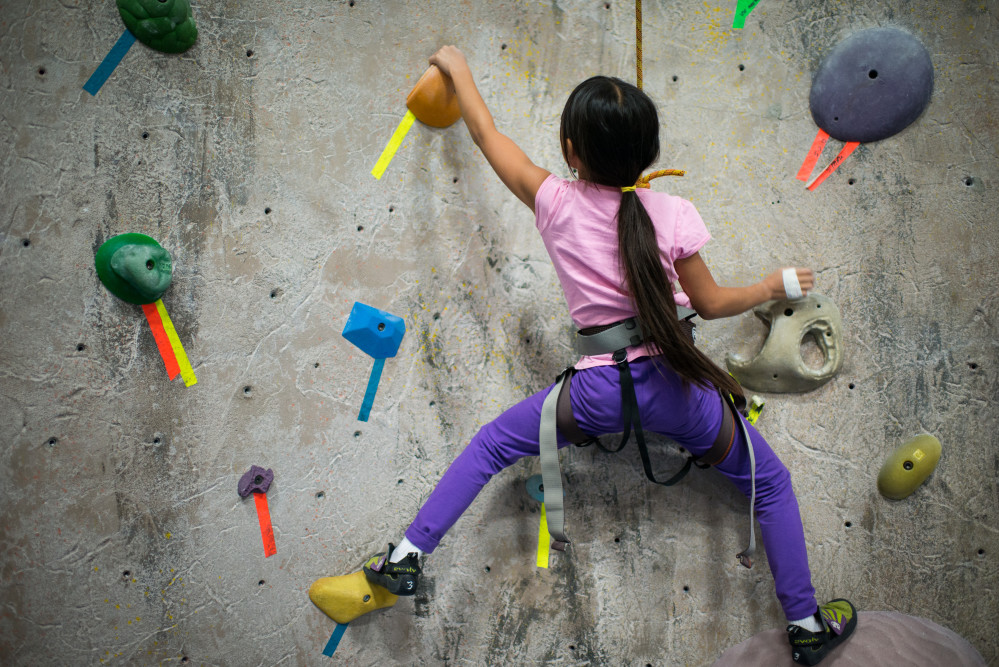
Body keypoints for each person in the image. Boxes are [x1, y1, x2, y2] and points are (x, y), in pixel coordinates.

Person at [357, 46, 856, 665]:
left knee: (491, 447)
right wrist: (773, 286)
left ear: (570, 151)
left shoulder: (556, 202)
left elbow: (487, 135)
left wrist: (456, 67)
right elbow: (713, 302)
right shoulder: (672, 213)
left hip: (594, 394)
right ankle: (805, 625)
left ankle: (406, 557)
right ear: (649, 155)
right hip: (678, 393)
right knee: (771, 485)